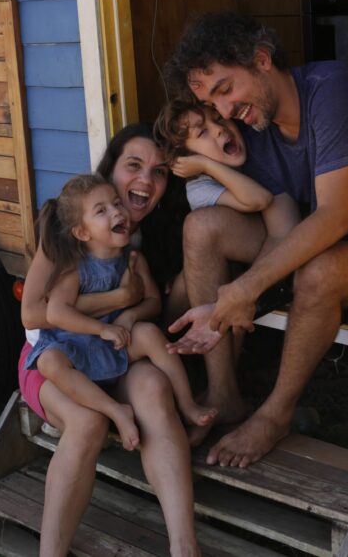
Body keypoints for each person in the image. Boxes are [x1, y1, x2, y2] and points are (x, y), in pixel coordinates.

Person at [163, 11, 348, 468]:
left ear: (261, 60)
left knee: (321, 268)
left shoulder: (328, 89)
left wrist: (245, 289)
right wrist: (225, 302)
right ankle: (224, 396)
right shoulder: (255, 132)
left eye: (225, 90)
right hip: (305, 247)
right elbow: (282, 230)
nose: (225, 112)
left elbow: (333, 218)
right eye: (213, 106)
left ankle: (275, 415)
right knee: (202, 228)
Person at [19, 126, 199, 557]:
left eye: (158, 171)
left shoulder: (149, 239)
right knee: (88, 424)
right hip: (56, 354)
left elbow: (152, 308)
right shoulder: (64, 232)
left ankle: (184, 547)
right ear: (110, 170)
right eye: (133, 166)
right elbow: (32, 314)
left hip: (114, 353)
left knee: (155, 390)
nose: (145, 181)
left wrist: (135, 310)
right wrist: (118, 299)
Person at [23, 173, 216, 451]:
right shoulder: (74, 267)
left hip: (113, 341)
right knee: (48, 363)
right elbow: (56, 313)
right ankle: (115, 410)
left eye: (116, 204)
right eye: (101, 211)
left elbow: (153, 302)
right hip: (75, 345)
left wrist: (130, 316)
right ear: (82, 232)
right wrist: (101, 328)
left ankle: (186, 404)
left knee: (150, 333)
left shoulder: (133, 259)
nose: (116, 212)